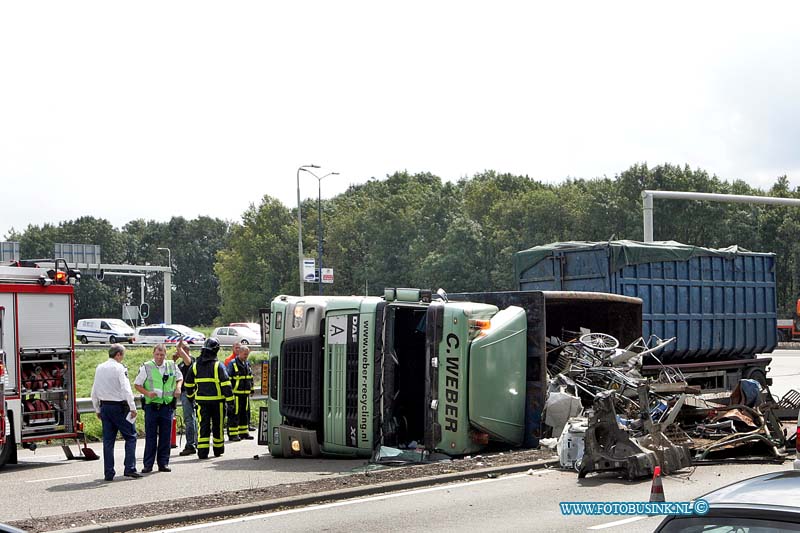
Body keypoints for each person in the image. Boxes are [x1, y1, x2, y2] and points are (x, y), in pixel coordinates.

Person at [90, 344, 140, 481]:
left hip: (105, 406)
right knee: (130, 437)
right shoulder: (120, 368)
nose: (122, 358)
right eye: (122, 355)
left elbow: (94, 391)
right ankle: (129, 468)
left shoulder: (99, 368)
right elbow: (126, 389)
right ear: (118, 354)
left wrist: (97, 409)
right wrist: (132, 407)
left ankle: (108, 472)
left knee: (108, 441)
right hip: (119, 408)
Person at [133, 343, 182, 473]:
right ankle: (148, 465)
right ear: (153, 354)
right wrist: (147, 393)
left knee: (166, 437)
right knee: (151, 437)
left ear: (165, 355)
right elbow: (137, 384)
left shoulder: (171, 365)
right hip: (152, 406)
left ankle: (163, 463)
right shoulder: (147, 367)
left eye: (162, 355)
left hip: (167, 406)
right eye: (157, 355)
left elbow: (179, 378)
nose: (159, 357)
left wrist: (178, 387)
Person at [184, 337, 234, 459]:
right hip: (218, 403)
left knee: (203, 426)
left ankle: (202, 451)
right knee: (218, 426)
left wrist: (191, 397)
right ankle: (218, 449)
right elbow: (226, 386)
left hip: (202, 403)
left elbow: (188, 384)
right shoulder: (219, 366)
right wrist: (230, 402)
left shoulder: (195, 366)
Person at [173, 340, 198, 456]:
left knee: (189, 419)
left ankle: (191, 444)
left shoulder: (192, 360)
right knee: (191, 419)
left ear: (186, 350)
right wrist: (173, 360)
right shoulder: (180, 364)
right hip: (184, 393)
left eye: (181, 350)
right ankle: (195, 442)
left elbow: (188, 361)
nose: (179, 353)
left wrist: (180, 349)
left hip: (189, 394)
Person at [226, 345, 254, 441]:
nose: (246, 356)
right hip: (236, 394)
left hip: (245, 394)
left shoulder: (247, 364)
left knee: (244, 413)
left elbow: (250, 378)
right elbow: (228, 379)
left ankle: (244, 433)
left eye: (247, 354)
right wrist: (229, 393)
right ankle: (233, 434)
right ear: (240, 353)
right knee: (234, 413)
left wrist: (252, 389)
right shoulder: (232, 364)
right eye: (245, 354)